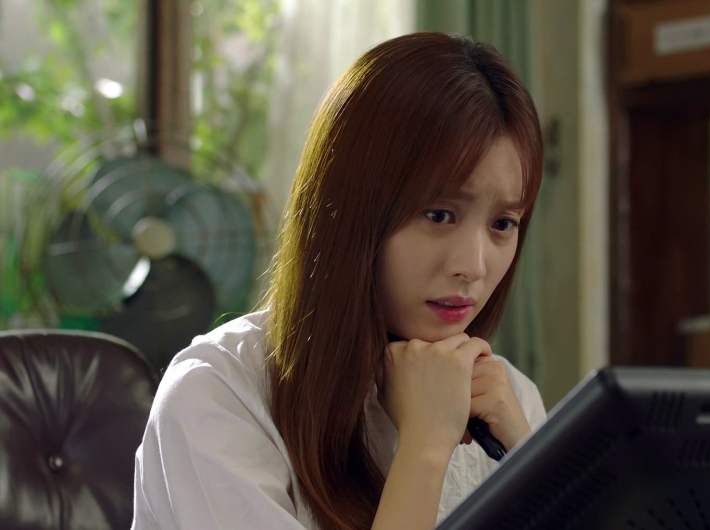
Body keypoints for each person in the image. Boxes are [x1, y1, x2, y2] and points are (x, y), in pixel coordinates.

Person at [131, 32, 546, 530]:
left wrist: (534, 455)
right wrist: (427, 444)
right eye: (439, 215)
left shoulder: (507, 399)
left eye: (503, 223)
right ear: (348, 212)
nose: (473, 266)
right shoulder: (217, 396)